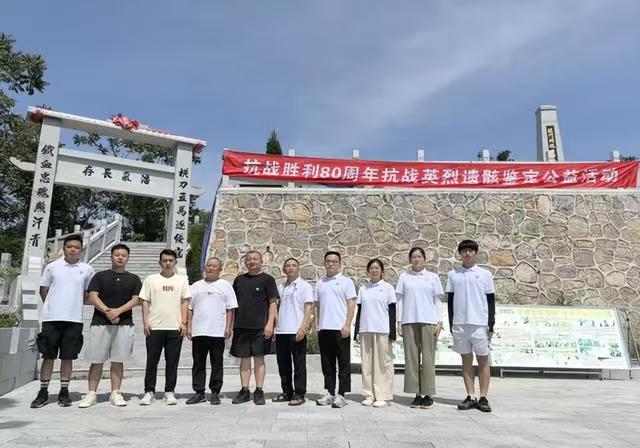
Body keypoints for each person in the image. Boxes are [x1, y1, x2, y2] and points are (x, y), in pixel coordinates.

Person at [31, 234, 95, 408]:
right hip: (51, 318)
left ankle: (64, 391)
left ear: (81, 250)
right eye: (69, 246)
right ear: (64, 248)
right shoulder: (52, 267)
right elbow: (43, 290)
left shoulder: (87, 269)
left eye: (76, 247)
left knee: (68, 357)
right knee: (48, 356)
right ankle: (43, 392)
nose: (73, 249)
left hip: (74, 319)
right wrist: (53, 305)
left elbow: (89, 293)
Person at [78, 243, 142, 408]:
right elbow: (92, 296)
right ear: (111, 256)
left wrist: (117, 311)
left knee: (118, 360)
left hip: (124, 323)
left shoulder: (134, 279)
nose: (120, 258)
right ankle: (91, 393)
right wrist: (107, 311)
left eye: (123, 255)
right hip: (100, 322)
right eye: (117, 255)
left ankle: (116, 393)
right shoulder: (100, 276)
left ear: (127, 258)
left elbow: (136, 299)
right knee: (97, 360)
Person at [446, 240, 496, 413]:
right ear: (460, 254)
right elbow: (450, 301)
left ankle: (483, 397)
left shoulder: (485, 274)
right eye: (464, 251)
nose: (467, 253)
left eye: (470, 250)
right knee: (466, 360)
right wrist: (451, 322)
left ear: (475, 253)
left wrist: (491, 323)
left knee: (483, 360)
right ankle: (470, 395)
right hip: (460, 323)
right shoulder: (453, 275)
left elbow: (490, 300)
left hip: (479, 323)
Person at [139, 249, 191, 406]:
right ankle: (149, 391)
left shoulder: (182, 280)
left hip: (175, 327)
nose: (167, 263)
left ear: (175, 262)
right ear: (160, 262)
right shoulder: (151, 279)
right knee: (152, 361)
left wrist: (184, 322)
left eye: (170, 260)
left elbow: (184, 301)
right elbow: (145, 301)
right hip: (154, 326)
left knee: (172, 361)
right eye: (164, 260)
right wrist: (146, 321)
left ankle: (169, 391)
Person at [395, 247, 444, 409]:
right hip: (409, 320)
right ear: (410, 260)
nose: (416, 259)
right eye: (413, 257)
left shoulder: (432, 277)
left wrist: (439, 321)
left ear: (424, 259)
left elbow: (438, 301)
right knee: (411, 358)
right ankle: (416, 394)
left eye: (419, 256)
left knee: (428, 358)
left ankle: (428, 394)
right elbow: (400, 300)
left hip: (429, 320)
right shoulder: (404, 277)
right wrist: (399, 321)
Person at [186, 257, 237, 405]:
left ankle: (215, 392)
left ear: (220, 269)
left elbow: (230, 308)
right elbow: (190, 308)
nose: (210, 268)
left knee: (217, 363)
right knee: (198, 363)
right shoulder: (196, 286)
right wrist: (189, 325)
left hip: (217, 331)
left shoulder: (225, 286)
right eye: (208, 265)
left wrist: (228, 327)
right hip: (199, 330)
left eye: (214, 266)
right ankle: (199, 392)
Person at [230, 250, 278, 405]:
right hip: (241, 327)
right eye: (249, 259)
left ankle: (259, 390)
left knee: (259, 359)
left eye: (255, 259)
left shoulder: (268, 280)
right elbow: (232, 305)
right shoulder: (239, 280)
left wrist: (270, 324)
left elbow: (273, 303)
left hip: (260, 328)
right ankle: (244, 390)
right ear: (245, 262)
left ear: (261, 261)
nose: (252, 261)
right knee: (244, 359)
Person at [315, 251, 357, 409]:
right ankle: (330, 392)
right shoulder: (320, 283)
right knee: (327, 363)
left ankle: (342, 394)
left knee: (343, 362)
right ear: (324, 263)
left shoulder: (346, 282)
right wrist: (317, 325)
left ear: (339, 263)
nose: (331, 263)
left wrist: (347, 325)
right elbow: (317, 306)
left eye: (334, 261)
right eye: (328, 261)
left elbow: (351, 304)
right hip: (324, 328)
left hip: (340, 328)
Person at [353, 258, 397, 408]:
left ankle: (383, 395)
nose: (374, 270)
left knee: (383, 364)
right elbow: (360, 311)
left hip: (382, 330)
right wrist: (356, 331)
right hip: (366, 329)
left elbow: (392, 311)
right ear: (368, 271)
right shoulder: (363, 288)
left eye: (377, 268)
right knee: (367, 365)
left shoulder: (388, 288)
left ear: (382, 271)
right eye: (371, 268)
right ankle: (369, 394)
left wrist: (392, 332)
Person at [273, 258, 314, 406]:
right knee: (283, 364)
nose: (290, 268)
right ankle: (287, 392)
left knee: (299, 364)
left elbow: (308, 308)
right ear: (284, 269)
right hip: (281, 331)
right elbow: (277, 308)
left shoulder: (305, 286)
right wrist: (275, 327)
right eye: (288, 266)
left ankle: (300, 393)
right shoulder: (281, 287)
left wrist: (303, 328)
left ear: (298, 268)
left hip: (297, 330)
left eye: (293, 265)